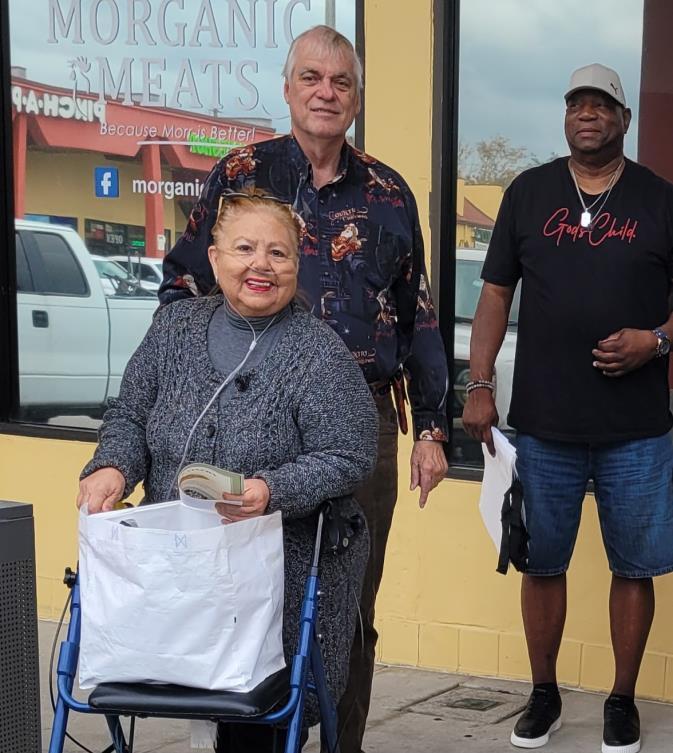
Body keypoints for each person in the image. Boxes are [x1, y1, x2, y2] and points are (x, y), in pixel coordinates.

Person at [158, 24, 449, 752]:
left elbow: (418, 312)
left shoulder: (387, 193)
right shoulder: (239, 176)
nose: (326, 92)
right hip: (248, 419)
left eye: (340, 82)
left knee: (347, 607)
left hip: (361, 429)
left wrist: (435, 430)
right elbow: (182, 287)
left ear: (355, 99)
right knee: (247, 601)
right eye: (312, 77)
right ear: (288, 89)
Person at [77, 191, 379, 753]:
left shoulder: (319, 353)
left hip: (278, 568)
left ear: (298, 264)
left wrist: (273, 490)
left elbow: (349, 453)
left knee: (251, 715)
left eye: (278, 254)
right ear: (214, 259)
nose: (261, 265)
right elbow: (130, 415)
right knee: (161, 682)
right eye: (244, 248)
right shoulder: (174, 331)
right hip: (179, 566)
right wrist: (113, 466)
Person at [463, 62, 673, 753]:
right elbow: (494, 293)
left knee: (634, 566)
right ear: (565, 117)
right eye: (576, 103)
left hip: (636, 427)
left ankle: (619, 699)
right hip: (545, 423)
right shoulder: (528, 192)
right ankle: (543, 692)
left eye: (602, 104)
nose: (588, 113)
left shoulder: (657, 199)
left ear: (622, 120)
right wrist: (480, 383)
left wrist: (656, 339)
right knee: (541, 561)